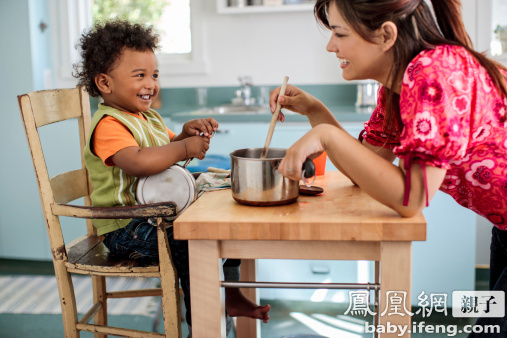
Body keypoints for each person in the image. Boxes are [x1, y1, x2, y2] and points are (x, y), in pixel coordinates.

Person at [270, 0, 507, 336]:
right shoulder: (397, 90)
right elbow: (363, 170)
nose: (330, 46)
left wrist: (325, 136)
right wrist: (315, 110)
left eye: (339, 33)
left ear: (385, 35)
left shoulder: (433, 75)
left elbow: (412, 198)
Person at [73, 19, 270, 334]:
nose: (151, 83)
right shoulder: (109, 125)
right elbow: (138, 163)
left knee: (222, 227)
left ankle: (228, 296)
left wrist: (185, 136)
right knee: (194, 244)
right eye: (140, 76)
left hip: (155, 217)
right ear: (105, 83)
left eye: (154, 75)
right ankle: (205, 323)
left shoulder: (147, 117)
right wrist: (182, 149)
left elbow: (167, 150)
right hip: (126, 227)